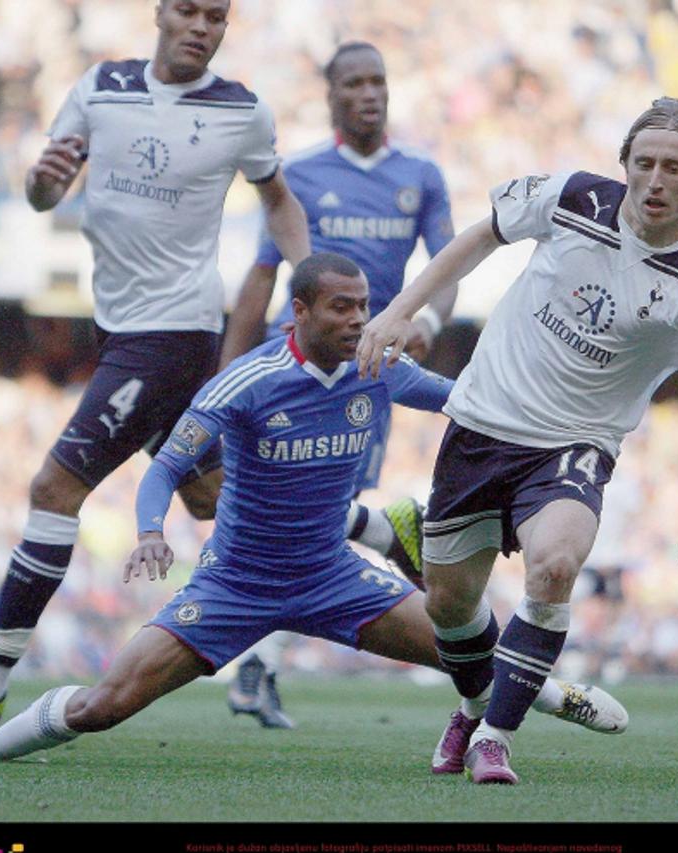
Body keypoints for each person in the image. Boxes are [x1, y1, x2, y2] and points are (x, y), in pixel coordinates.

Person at [0, 253, 626, 765]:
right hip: (233, 584)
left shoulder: (378, 368)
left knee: (465, 652)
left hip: (332, 574)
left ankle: (560, 694)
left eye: (366, 306)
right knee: (104, 705)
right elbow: (169, 470)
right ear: (300, 310)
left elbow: (470, 404)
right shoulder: (246, 382)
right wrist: (151, 530)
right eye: (343, 307)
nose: (359, 319)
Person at [0, 0, 311, 730]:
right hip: (119, 331)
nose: (202, 26)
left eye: (217, 16)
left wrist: (307, 283)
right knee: (214, 501)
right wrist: (43, 183)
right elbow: (44, 192)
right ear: (160, 13)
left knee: (55, 487)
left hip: (170, 338)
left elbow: (279, 201)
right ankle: (352, 541)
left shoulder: (242, 111)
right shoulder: (99, 87)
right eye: (189, 10)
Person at [357, 97, 678, 784]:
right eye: (645, 163)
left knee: (554, 565)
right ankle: (472, 702)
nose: (656, 179)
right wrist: (401, 309)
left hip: (574, 444)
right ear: (625, 166)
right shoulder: (572, 196)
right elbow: (478, 237)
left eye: (675, 168)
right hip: (482, 422)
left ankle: (494, 735)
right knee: (449, 603)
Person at [220, 41, 459, 728]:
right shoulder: (300, 174)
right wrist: (227, 372)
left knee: (320, 509)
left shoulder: (421, 175)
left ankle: (257, 663)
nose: (369, 93)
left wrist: (428, 319)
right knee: (283, 507)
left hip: (369, 373)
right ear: (330, 96)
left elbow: (447, 263)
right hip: (290, 370)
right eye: (353, 82)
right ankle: (382, 540)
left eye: (378, 80)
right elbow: (263, 275)